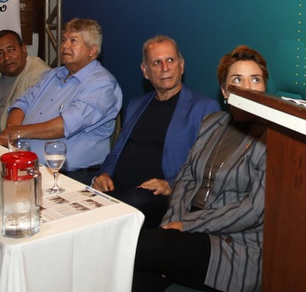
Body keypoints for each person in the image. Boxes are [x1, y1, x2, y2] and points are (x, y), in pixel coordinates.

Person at [131, 45, 269, 292]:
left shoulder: (274, 138)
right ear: (225, 91)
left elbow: (254, 210)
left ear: (265, 88)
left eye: (255, 79)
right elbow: (185, 180)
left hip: (237, 249)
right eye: (237, 80)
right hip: (186, 240)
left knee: (141, 247)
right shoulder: (213, 123)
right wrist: (173, 223)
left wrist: (185, 225)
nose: (247, 87)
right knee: (135, 284)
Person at [92, 35, 219, 228]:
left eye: (170, 60)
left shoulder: (204, 108)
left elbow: (207, 166)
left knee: (115, 210)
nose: (165, 68)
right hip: (117, 190)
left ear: (181, 65)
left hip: (159, 198)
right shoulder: (136, 104)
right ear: (145, 71)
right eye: (156, 62)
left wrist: (170, 184)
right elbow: (117, 151)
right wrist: (104, 174)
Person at [0, 18, 122, 185]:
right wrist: (12, 135)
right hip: (24, 161)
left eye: (73, 41)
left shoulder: (102, 84)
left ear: (92, 50)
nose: (65, 46)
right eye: (63, 40)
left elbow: (64, 126)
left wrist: (17, 133)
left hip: (69, 175)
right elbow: (21, 103)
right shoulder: (52, 75)